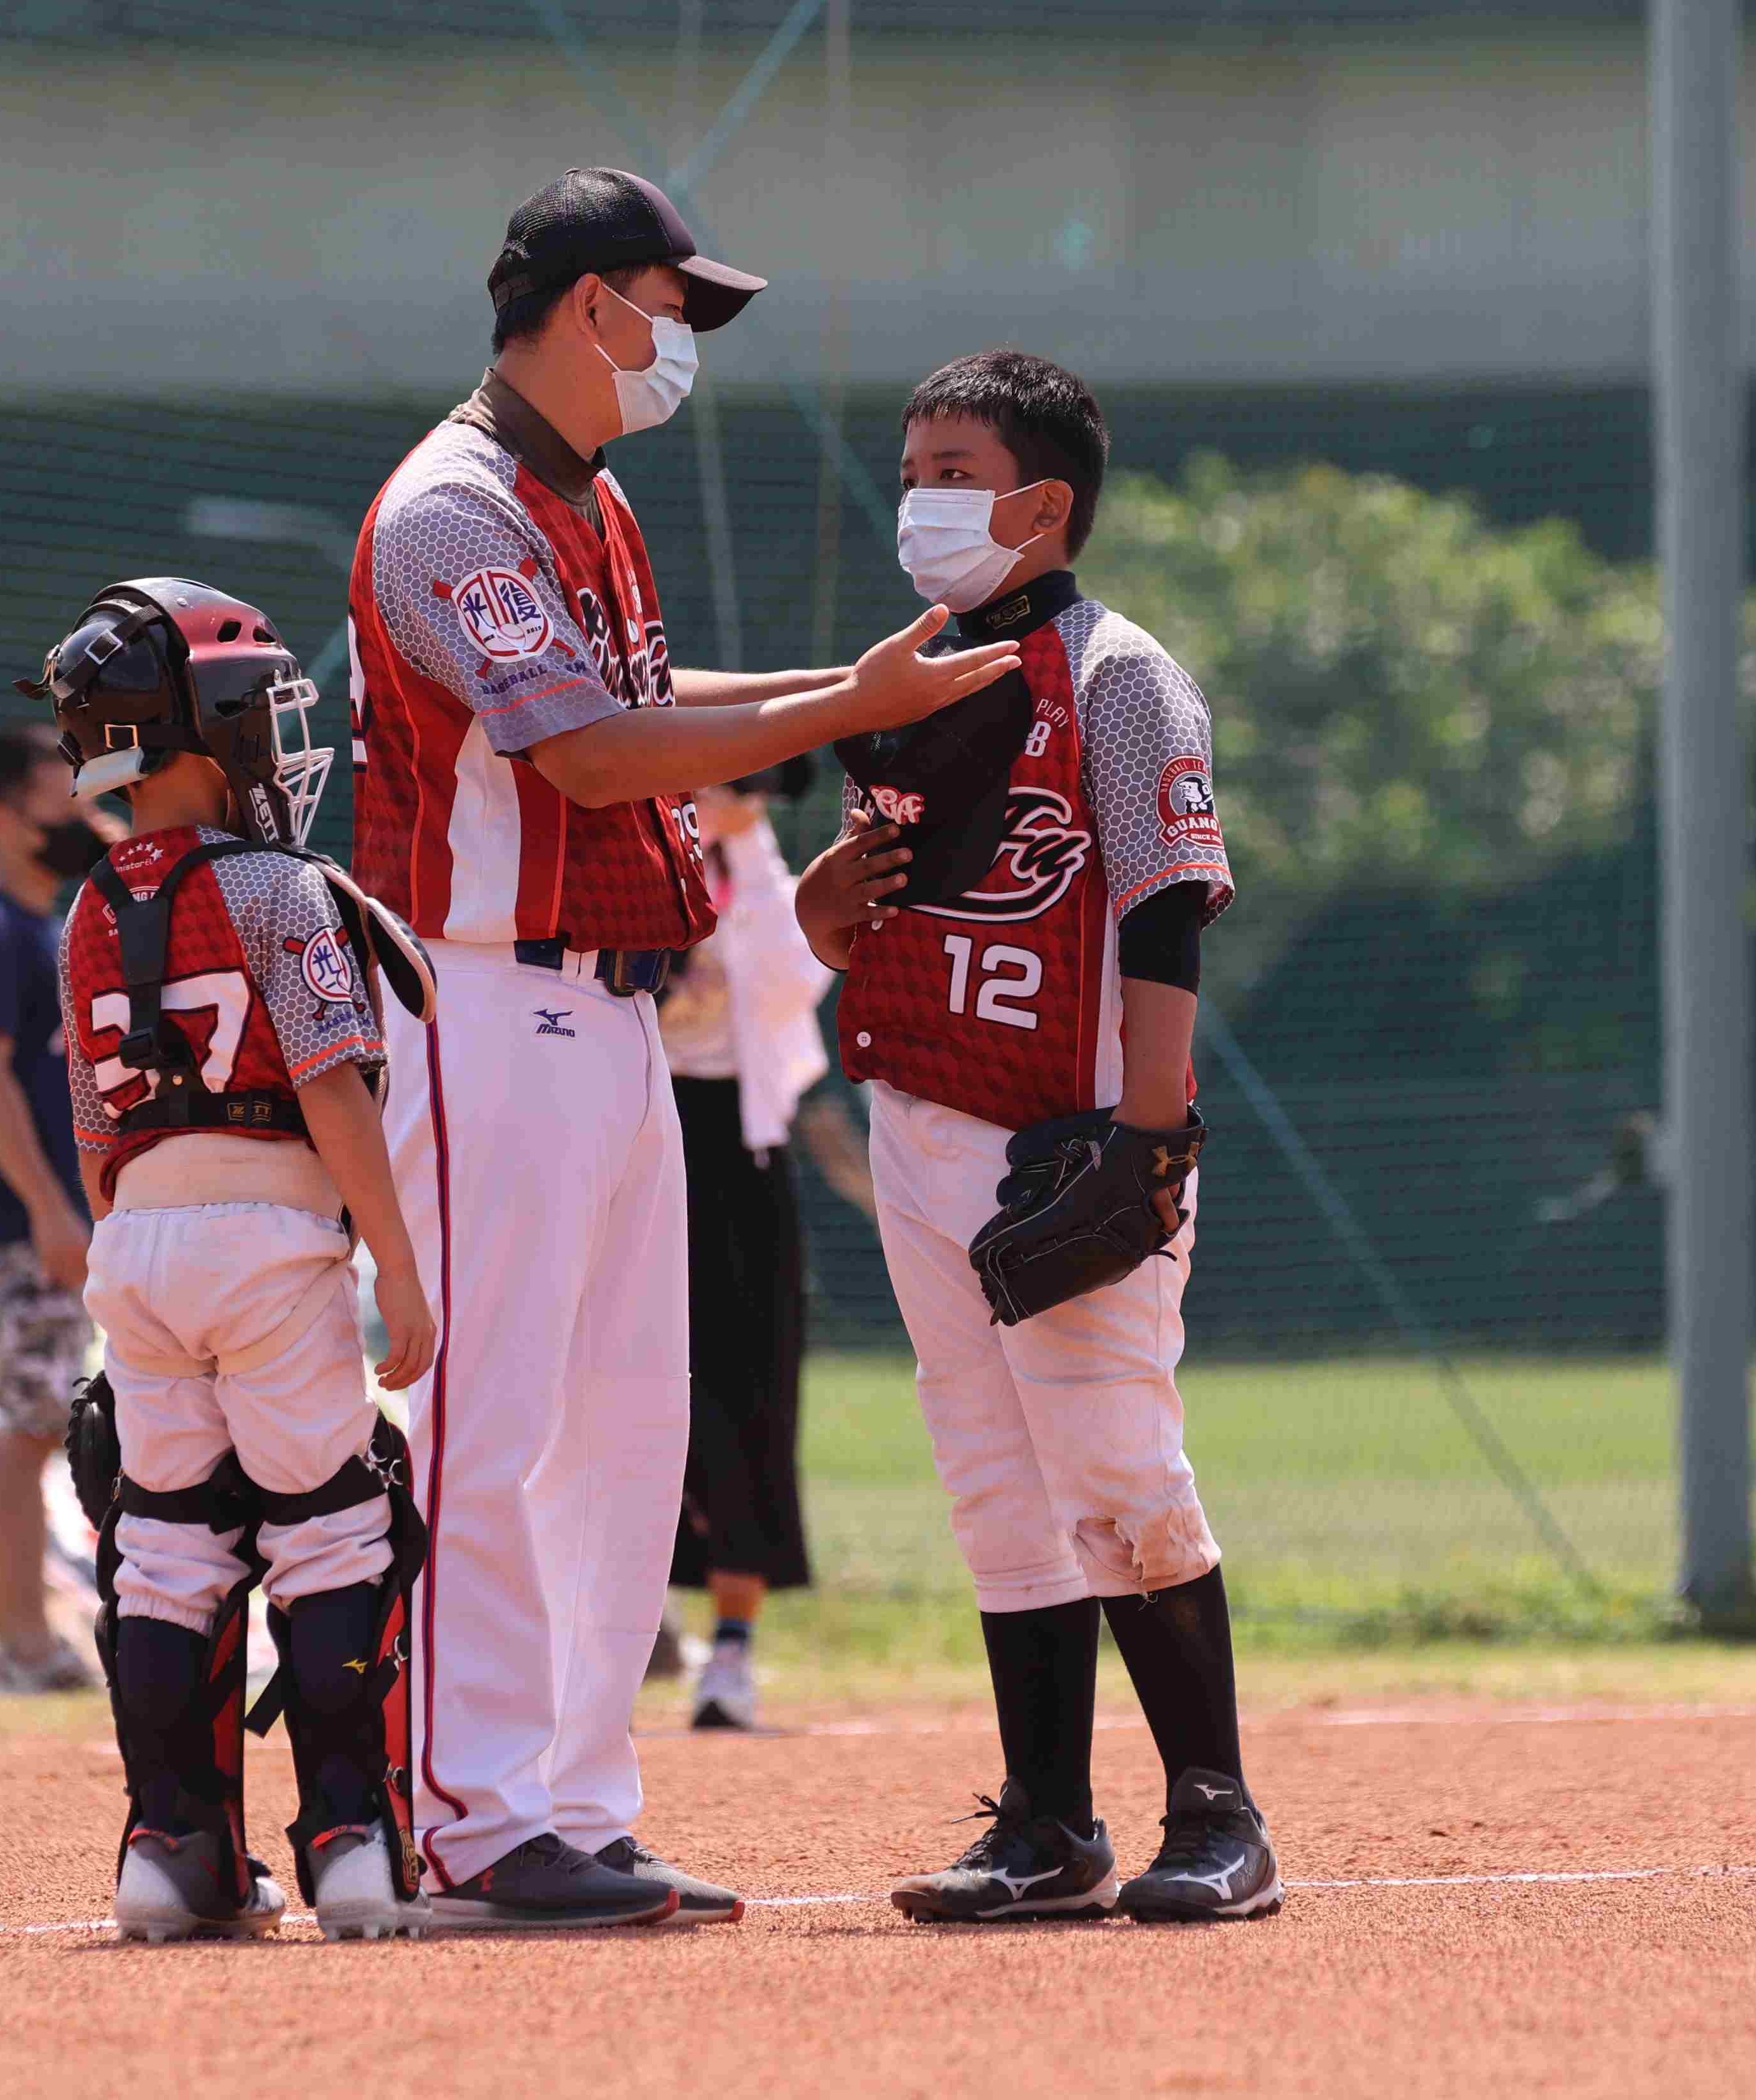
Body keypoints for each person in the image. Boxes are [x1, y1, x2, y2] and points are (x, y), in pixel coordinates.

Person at [347, 167, 1024, 1930]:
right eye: (671, 309)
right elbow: (583, 755)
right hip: (482, 1001)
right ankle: (471, 1821)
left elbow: (647, 702)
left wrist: (839, 689)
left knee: (625, 1434)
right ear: (587, 306)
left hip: (617, 1010)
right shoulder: (453, 510)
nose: (683, 344)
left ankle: (573, 1803)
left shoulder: (589, 501)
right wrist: (843, 708)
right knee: (491, 1422)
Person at [796, 350, 1279, 1925]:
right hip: (921, 1115)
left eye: (956, 472)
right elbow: (853, 908)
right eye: (913, 471)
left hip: (1066, 1134)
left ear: (1044, 502)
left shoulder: (1119, 675)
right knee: (993, 1475)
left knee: (1115, 1460)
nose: (921, 500)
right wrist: (816, 903)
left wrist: (1148, 1135)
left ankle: (1218, 1814)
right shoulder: (910, 675)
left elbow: (1165, 911)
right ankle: (1049, 1826)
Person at [29, 578, 446, 1942]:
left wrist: (142, 1256)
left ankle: (169, 1852)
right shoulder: (281, 888)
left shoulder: (88, 905)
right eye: (256, 710)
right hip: (269, 1234)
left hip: (138, 1242)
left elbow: (98, 1134)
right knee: (333, 1530)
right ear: (204, 728)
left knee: (163, 1549)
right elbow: (332, 1088)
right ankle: (352, 1845)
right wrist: (395, 1265)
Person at [657, 761, 835, 1733]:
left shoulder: (764, 882)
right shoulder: (635, 860)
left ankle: (730, 1652)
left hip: (741, 1147)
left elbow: (794, 984)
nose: (732, 794)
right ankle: (620, 1629)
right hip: (641, 1134)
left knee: (749, 1393)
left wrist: (746, 841)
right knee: (626, 1386)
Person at [0, 726, 108, 1695]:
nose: (83, 822)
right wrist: (50, 1210)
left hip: (78, 1222)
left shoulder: (55, 925)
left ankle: (38, 1642)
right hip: (35, 1227)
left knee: (51, 1421)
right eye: (62, 804)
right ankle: (21, 1649)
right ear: (4, 819)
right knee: (32, 1427)